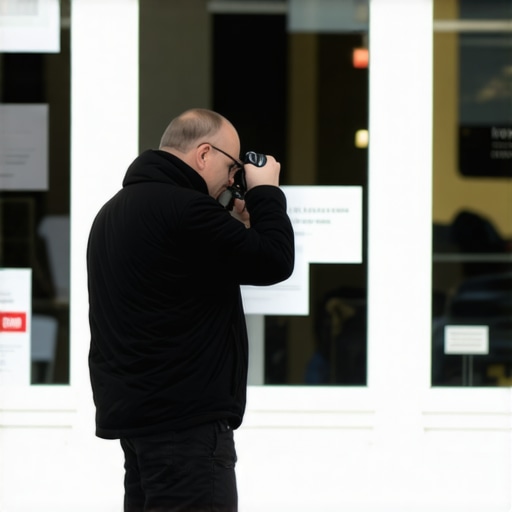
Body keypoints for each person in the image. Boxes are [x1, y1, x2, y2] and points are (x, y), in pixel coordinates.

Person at [87, 108, 294, 511]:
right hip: (187, 429)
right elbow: (274, 260)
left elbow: (178, 291)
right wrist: (267, 191)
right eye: (233, 168)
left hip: (140, 424)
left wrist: (234, 226)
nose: (234, 180)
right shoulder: (185, 211)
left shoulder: (112, 213)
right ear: (203, 154)